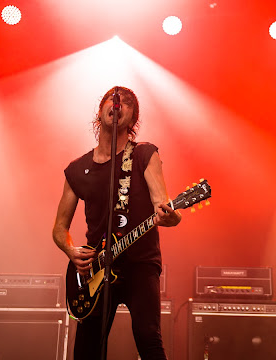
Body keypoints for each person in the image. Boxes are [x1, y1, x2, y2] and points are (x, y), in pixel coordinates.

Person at [52, 86, 181, 360]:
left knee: (149, 339)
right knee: (86, 350)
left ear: (133, 119)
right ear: (99, 112)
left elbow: (164, 205)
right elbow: (59, 229)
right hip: (96, 271)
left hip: (140, 264)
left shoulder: (144, 155)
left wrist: (172, 215)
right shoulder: (77, 169)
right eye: (112, 101)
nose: (118, 105)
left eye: (127, 104)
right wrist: (73, 252)